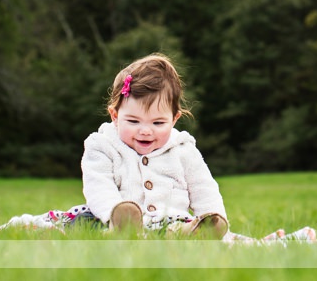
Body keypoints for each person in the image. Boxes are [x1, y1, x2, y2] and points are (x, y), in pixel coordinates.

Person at [81, 53, 229, 238]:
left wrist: (215, 219)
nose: (145, 131)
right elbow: (98, 187)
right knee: (75, 222)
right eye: (134, 121)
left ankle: (197, 233)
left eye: (158, 123)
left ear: (174, 119)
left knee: (179, 230)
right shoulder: (103, 146)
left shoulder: (183, 150)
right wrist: (113, 213)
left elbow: (204, 189)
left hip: (172, 222)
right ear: (115, 116)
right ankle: (123, 228)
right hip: (110, 218)